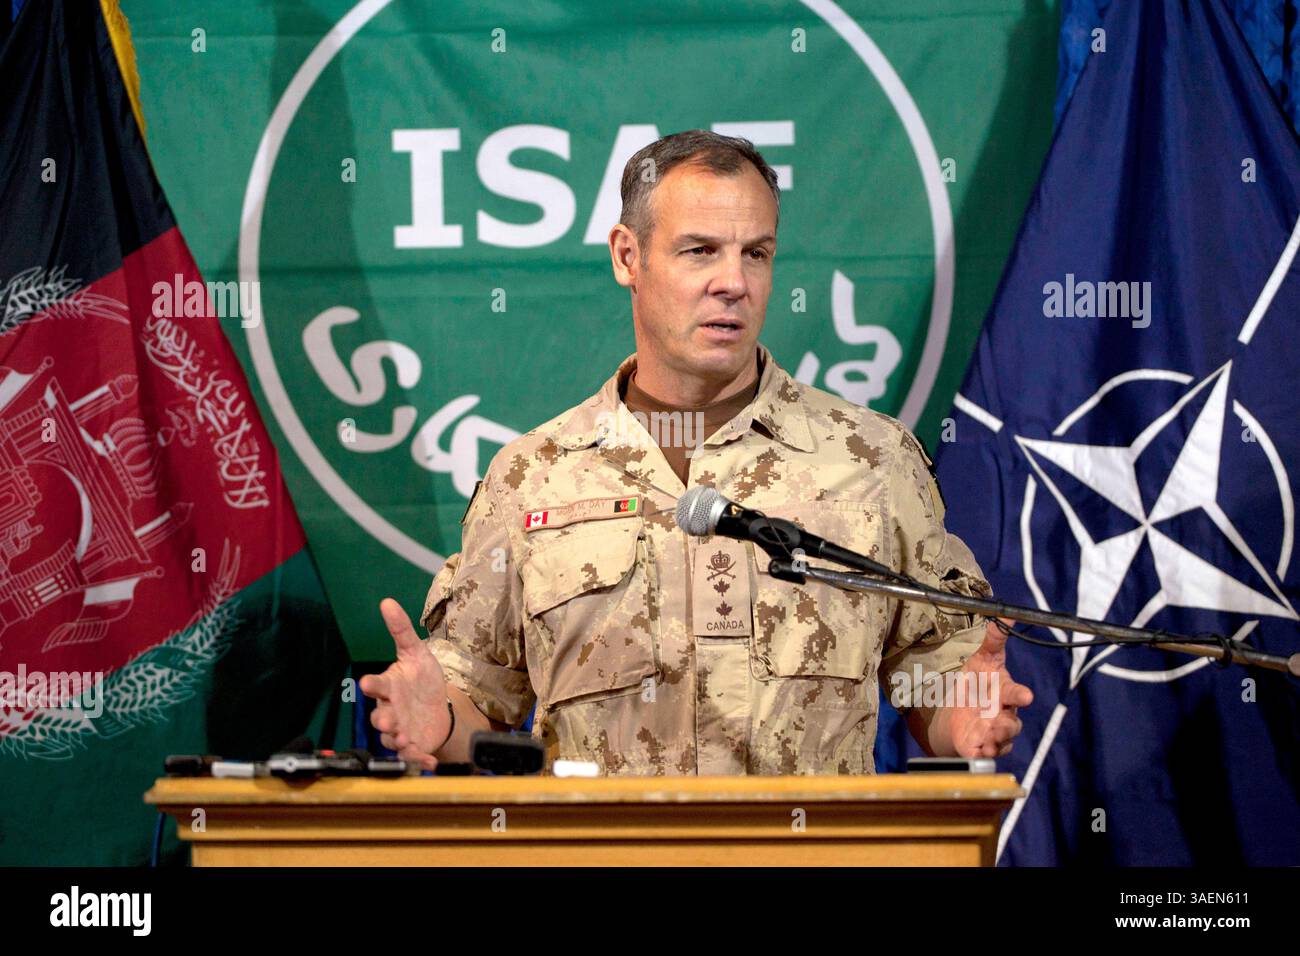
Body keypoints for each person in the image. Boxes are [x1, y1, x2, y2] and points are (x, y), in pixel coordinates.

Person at [360, 130, 1032, 774]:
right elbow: (478, 692)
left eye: (757, 253)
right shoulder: (533, 477)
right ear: (628, 256)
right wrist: (440, 721)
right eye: (700, 251)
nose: (733, 282)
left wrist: (961, 714)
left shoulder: (872, 460)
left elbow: (935, 668)